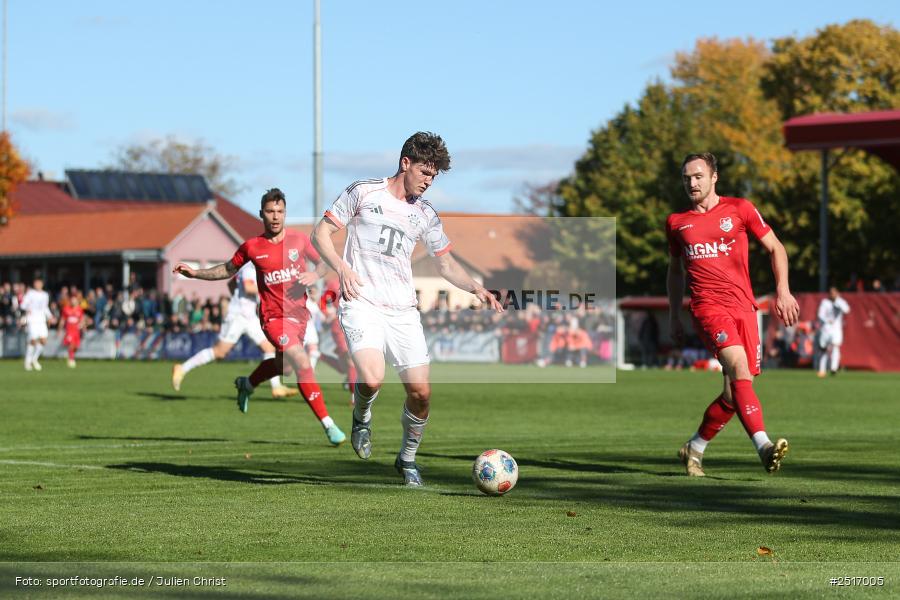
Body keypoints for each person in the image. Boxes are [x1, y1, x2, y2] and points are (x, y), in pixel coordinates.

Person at [312, 131, 503, 486]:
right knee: (371, 377)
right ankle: (362, 418)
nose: (429, 181)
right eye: (425, 172)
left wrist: (476, 288)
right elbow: (320, 234)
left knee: (421, 393)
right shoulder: (363, 192)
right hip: (361, 301)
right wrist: (342, 268)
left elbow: (444, 263)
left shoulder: (425, 214)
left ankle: (407, 459)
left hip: (403, 311)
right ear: (405, 163)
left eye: (434, 176)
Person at [173, 188, 345, 446]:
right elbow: (227, 270)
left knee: (284, 366)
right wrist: (196, 273)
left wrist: (314, 275)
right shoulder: (252, 247)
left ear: (285, 213)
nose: (275, 216)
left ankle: (248, 383)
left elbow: (324, 262)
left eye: (279, 211)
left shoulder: (299, 241)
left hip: (299, 317)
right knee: (301, 360)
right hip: (273, 318)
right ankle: (328, 424)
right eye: (270, 211)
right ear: (261, 214)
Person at [666, 152, 800, 477]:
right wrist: (673, 314)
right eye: (686, 178)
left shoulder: (740, 209)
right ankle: (764, 446)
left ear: (714, 177)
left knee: (733, 392)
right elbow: (675, 271)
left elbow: (776, 247)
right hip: (707, 308)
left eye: (698, 176)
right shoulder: (676, 223)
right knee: (739, 365)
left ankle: (694, 448)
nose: (692, 183)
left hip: (744, 308)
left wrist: (783, 291)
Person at [172, 262, 299, 398]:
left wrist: (239, 298)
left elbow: (231, 284)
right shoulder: (250, 267)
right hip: (237, 317)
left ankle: (276, 387)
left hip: (249, 316)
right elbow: (248, 287)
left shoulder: (251, 267)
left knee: (269, 348)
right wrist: (272, 288)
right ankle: (182, 368)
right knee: (219, 352)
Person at [816, 286, 850, 377]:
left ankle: (834, 368)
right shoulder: (825, 302)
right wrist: (827, 320)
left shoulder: (840, 301)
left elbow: (847, 310)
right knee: (824, 349)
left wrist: (838, 301)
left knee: (835, 346)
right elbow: (820, 315)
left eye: (834, 293)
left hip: (836, 329)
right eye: (831, 293)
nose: (833, 295)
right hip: (826, 329)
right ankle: (822, 370)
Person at [21, 276, 52, 371]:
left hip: (41, 320)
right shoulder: (30, 293)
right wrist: (27, 309)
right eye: (36, 283)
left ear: (42, 284)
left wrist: (50, 316)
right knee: (33, 340)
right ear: (34, 284)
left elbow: (45, 307)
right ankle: (27, 361)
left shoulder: (45, 295)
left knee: (43, 341)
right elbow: (23, 305)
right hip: (32, 320)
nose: (38, 284)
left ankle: (34, 359)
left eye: (39, 283)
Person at [59, 291, 85, 368]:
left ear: (77, 301)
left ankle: (71, 357)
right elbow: (62, 320)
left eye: (75, 300)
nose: (73, 301)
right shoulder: (66, 309)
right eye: (72, 300)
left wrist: (82, 325)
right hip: (69, 331)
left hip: (77, 331)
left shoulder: (80, 309)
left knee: (76, 347)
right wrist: (59, 329)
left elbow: (82, 320)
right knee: (71, 344)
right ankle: (71, 359)